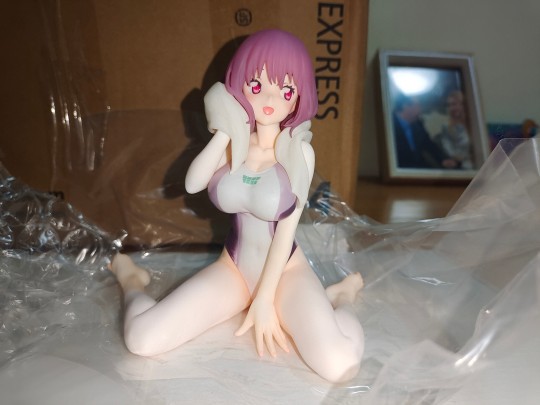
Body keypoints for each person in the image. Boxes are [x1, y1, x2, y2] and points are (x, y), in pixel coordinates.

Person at [109, 29, 364, 383]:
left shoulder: (299, 152)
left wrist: (265, 299)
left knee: (340, 364)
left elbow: (285, 232)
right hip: (233, 270)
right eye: (257, 85)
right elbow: (193, 184)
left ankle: (343, 297)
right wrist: (226, 131)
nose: (270, 99)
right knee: (142, 339)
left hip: (285, 275)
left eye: (285, 90)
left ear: (298, 97)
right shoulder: (234, 146)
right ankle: (133, 280)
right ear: (239, 85)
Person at [392, 94, 458, 169]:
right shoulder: (390, 125)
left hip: (420, 169)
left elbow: (429, 144)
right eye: (417, 105)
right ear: (405, 106)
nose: (420, 109)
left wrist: (443, 159)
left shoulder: (418, 124)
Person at [434, 90, 473, 169]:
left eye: (454, 104)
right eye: (449, 105)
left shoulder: (474, 125)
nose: (451, 108)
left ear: (463, 105)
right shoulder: (446, 128)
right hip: (460, 167)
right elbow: (450, 151)